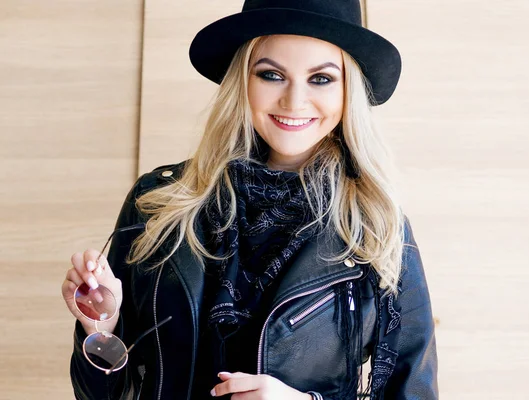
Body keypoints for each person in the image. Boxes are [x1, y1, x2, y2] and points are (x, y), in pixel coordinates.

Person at [61, 0, 438, 399]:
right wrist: (100, 324)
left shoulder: (376, 227)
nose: (294, 101)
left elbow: (411, 390)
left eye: (322, 79)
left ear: (349, 92)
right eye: (272, 75)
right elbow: (105, 394)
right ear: (243, 81)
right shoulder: (158, 203)